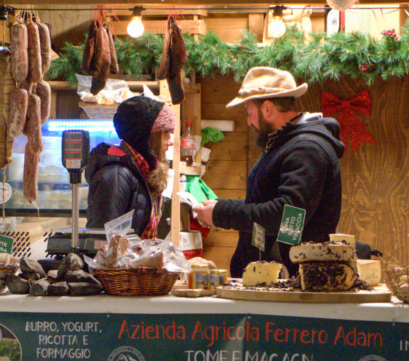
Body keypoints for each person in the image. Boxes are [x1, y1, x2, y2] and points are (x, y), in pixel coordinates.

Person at [194, 67, 344, 278]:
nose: (249, 121)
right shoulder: (283, 145)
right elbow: (266, 203)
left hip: (298, 282)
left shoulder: (307, 149)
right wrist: (220, 207)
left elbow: (288, 217)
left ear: (267, 108)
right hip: (281, 279)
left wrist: (222, 214)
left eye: (249, 112)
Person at [86, 94, 175, 238]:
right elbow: (105, 245)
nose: (170, 141)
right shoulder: (116, 175)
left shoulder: (143, 171)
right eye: (165, 133)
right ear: (145, 136)